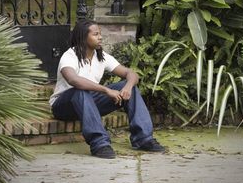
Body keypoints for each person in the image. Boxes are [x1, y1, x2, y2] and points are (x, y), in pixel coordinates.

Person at [49, 19, 165, 159]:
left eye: (100, 34)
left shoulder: (101, 57)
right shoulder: (70, 56)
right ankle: (100, 144)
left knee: (131, 88)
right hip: (63, 106)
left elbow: (131, 74)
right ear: (83, 37)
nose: (100, 37)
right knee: (80, 90)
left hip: (89, 102)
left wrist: (127, 87)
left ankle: (144, 139)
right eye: (95, 34)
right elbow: (73, 80)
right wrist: (106, 90)